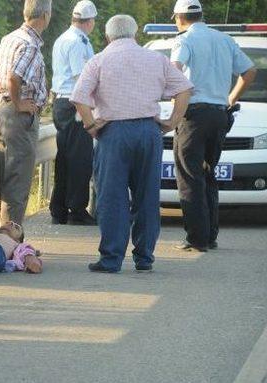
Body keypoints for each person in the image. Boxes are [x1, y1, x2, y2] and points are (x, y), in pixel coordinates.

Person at [71, 15, 193, 273]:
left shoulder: (99, 60)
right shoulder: (156, 59)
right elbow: (184, 88)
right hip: (148, 131)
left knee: (112, 197)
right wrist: (172, 121)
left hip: (113, 133)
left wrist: (91, 125)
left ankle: (111, 259)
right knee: (147, 196)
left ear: (107, 36)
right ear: (135, 34)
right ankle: (145, 257)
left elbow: (79, 97)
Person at [170, 0, 257, 252]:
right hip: (220, 115)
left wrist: (174, 101)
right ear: (200, 15)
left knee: (189, 176)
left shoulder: (184, 40)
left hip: (194, 116)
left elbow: (174, 70)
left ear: (179, 17)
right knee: (208, 174)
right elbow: (249, 71)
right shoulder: (224, 39)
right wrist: (231, 98)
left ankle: (196, 238)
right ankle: (209, 236)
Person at [0, 0, 51, 226]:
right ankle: (11, 244)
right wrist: (18, 101)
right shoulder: (30, 44)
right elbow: (14, 77)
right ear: (46, 16)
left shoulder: (10, 38)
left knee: (4, 178)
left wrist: (6, 94)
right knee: (18, 180)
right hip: (19, 116)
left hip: (3, 110)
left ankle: (2, 238)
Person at [49, 0, 97, 226]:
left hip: (61, 101)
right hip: (74, 103)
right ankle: (76, 210)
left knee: (65, 158)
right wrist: (89, 108)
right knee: (80, 159)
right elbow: (82, 80)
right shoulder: (79, 42)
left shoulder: (63, 38)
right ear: (90, 22)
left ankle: (58, 208)